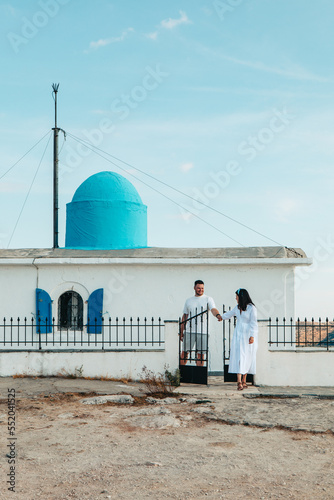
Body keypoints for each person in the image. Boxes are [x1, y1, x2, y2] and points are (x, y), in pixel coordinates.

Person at [221, 288, 258, 390]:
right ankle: (239, 381)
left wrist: (252, 336)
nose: (235, 298)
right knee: (239, 356)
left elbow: (253, 323)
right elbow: (229, 314)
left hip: (247, 334)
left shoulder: (251, 308)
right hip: (238, 334)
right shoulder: (237, 308)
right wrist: (220, 317)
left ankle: (244, 380)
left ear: (241, 297)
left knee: (247, 356)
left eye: (236, 296)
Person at [180, 280, 222, 366]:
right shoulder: (189, 300)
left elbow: (213, 309)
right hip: (189, 331)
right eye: (198, 288)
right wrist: (181, 331)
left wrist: (217, 315)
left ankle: (199, 376)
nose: (200, 290)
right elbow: (185, 316)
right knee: (184, 353)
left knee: (201, 354)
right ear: (194, 288)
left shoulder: (208, 299)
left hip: (203, 331)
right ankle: (181, 374)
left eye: (202, 288)